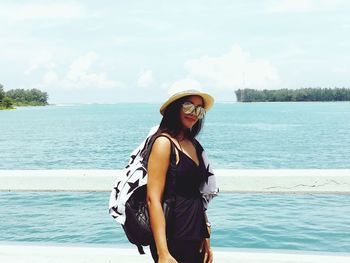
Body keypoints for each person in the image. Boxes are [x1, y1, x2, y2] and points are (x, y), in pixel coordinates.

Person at [146, 89, 216, 263]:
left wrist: (205, 233)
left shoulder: (194, 145)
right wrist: (162, 252)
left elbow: (196, 194)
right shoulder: (164, 143)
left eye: (199, 109)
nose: (194, 113)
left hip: (195, 236)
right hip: (172, 237)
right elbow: (152, 199)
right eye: (188, 106)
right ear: (175, 108)